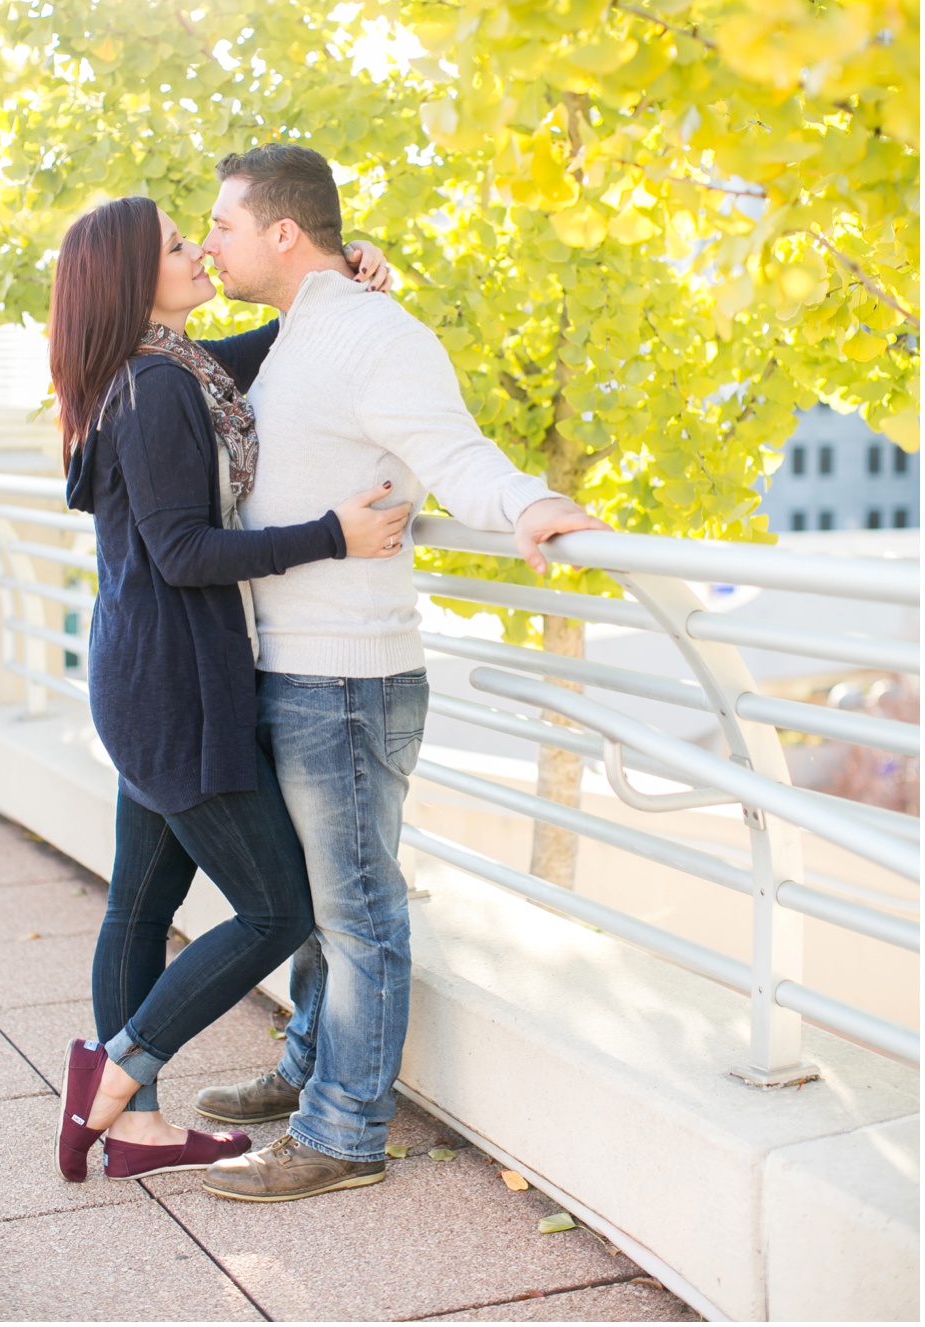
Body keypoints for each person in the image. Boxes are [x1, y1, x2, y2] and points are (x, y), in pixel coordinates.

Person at [192, 144, 607, 1204]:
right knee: (321, 905)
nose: (209, 244)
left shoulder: (376, 336)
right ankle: (305, 1070)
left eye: (224, 225)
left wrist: (526, 504)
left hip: (345, 680)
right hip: (290, 667)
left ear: (283, 233)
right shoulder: (297, 334)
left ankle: (344, 1130)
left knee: (359, 909)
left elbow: (454, 450)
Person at [49, 194, 413, 1184]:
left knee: (139, 901)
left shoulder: (155, 373)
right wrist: (333, 533)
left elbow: (250, 351)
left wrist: (325, 288)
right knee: (276, 907)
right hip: (175, 691)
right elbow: (180, 549)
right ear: (134, 278)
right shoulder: (157, 391)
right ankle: (116, 1079)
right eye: (176, 244)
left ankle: (136, 1128)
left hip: (139, 675)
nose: (200, 248)